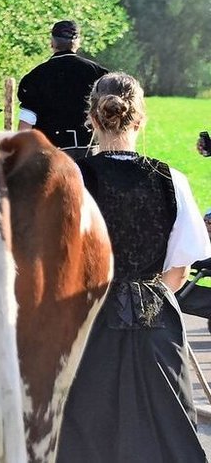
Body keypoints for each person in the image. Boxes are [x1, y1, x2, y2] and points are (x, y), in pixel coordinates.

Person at [57, 73, 211, 463]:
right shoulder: (170, 179)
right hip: (157, 324)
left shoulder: (71, 178)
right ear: (140, 119)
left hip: (87, 324)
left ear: (91, 118)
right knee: (167, 436)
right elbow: (178, 270)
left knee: (86, 437)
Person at [17, 20, 109, 150]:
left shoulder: (35, 77)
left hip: (51, 154)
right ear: (77, 43)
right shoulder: (98, 74)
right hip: (89, 152)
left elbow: (26, 121)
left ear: (52, 42)